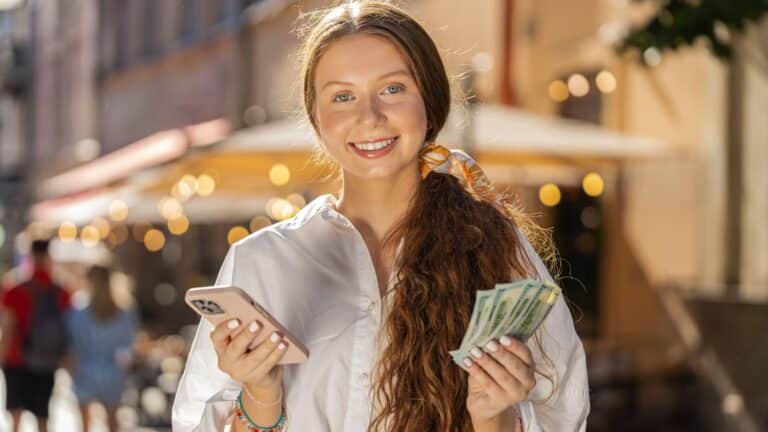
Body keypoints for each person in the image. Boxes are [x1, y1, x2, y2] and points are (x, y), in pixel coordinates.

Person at [173, 2, 589, 431]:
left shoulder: (498, 251)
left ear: (429, 99)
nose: (368, 117)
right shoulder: (262, 261)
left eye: (392, 89)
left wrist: (494, 418)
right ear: (316, 118)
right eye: (342, 96)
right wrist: (261, 395)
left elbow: (565, 414)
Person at [0, 238, 71, 432]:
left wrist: (1, 355)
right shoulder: (60, 290)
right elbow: (68, 328)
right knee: (43, 417)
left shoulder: (14, 288)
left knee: (15, 417)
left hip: (16, 358)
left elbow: (8, 327)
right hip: (46, 360)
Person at [65, 265, 137, 432]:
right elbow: (128, 343)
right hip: (113, 371)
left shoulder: (79, 310)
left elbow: (73, 344)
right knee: (112, 420)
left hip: (84, 370)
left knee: (84, 424)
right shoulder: (124, 311)